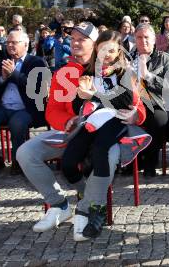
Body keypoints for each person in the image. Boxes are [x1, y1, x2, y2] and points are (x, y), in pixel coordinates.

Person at [17, 22, 140, 241]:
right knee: (26, 152)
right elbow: (52, 110)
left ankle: (88, 208)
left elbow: (138, 106)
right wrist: (68, 121)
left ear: (97, 44)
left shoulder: (117, 69)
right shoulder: (64, 72)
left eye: (81, 39)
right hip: (72, 132)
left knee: (108, 154)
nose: (74, 42)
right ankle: (59, 204)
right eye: (72, 38)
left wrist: (134, 115)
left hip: (108, 131)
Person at [60, 30, 146, 240]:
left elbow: (126, 100)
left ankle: (97, 209)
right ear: (96, 48)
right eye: (102, 48)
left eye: (111, 50)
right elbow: (79, 103)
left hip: (117, 120)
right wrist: (80, 96)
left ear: (118, 52)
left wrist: (95, 94)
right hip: (92, 120)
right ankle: (86, 191)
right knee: (68, 162)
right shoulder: (89, 71)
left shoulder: (124, 72)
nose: (106, 54)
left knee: (101, 151)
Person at [0, 30, 48, 175]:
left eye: (14, 42)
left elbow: (37, 88)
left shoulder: (37, 62)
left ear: (26, 45)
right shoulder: (3, 62)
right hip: (4, 108)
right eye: (8, 43)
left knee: (17, 123)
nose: (10, 45)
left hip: (26, 109)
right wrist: (2, 78)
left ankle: (19, 161)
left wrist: (14, 74)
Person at [131, 23, 169, 176]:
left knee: (157, 120)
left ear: (154, 39)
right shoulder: (127, 58)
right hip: (132, 103)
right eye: (139, 37)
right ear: (134, 40)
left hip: (157, 103)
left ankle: (149, 162)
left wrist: (147, 75)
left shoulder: (166, 59)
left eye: (146, 37)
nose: (143, 41)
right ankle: (129, 160)